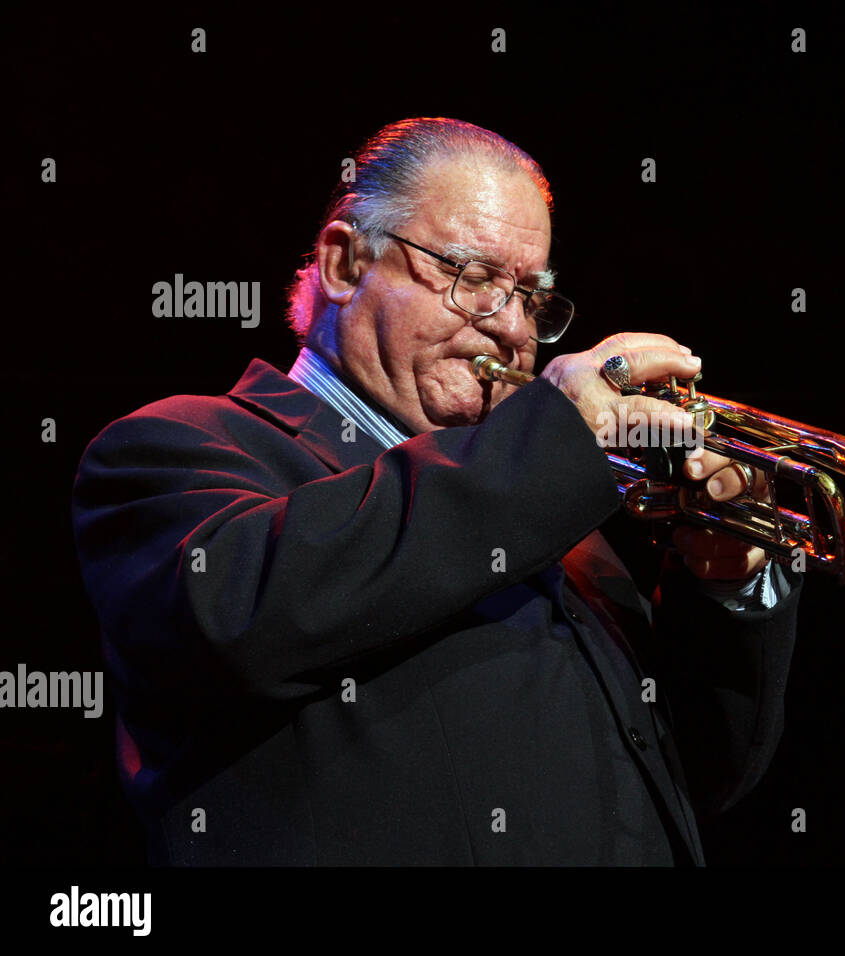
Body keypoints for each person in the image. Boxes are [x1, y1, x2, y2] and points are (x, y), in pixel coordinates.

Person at [71, 117, 801, 866]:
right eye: (475, 278)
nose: (512, 328)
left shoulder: (570, 535)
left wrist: (725, 588)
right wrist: (546, 443)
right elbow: (236, 621)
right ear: (346, 264)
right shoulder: (178, 448)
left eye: (530, 297)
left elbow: (700, 780)